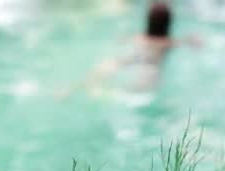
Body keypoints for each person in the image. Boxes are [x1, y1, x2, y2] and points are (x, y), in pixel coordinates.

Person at [60, 1, 200, 98]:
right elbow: (187, 42)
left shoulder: (138, 37)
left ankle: (74, 88)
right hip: (150, 65)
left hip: (132, 58)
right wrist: (192, 41)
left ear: (148, 21)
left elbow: (122, 39)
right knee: (140, 91)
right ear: (168, 24)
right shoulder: (167, 42)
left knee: (108, 66)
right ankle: (100, 92)